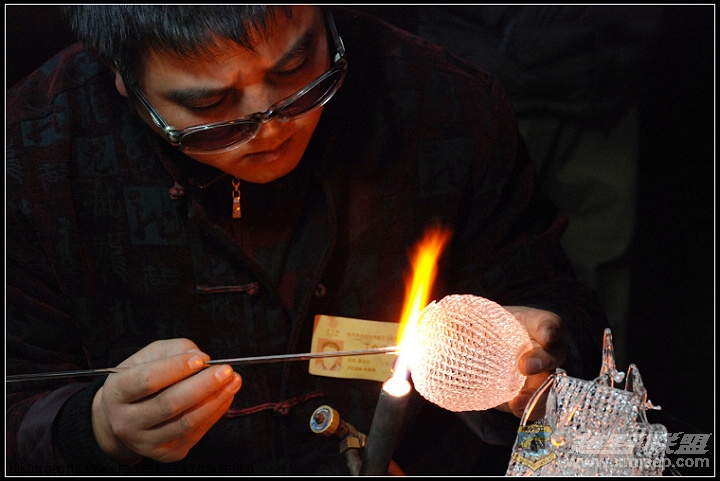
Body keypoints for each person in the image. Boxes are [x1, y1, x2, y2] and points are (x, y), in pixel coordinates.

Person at [6, 6, 607, 476]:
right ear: (123, 79)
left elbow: (553, 299)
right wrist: (95, 430)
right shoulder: (33, 159)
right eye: (212, 106)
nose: (272, 126)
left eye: (295, 71)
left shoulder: (445, 104)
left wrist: (546, 344)